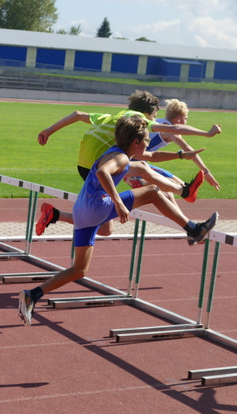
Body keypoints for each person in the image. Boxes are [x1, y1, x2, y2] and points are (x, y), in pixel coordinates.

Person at [18, 114, 218, 327]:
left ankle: (33, 295)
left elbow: (151, 158)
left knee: (79, 270)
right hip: (97, 207)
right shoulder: (121, 158)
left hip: (82, 212)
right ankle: (193, 230)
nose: (149, 143)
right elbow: (103, 172)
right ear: (136, 142)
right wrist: (118, 202)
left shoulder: (119, 155)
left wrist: (181, 155)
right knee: (152, 192)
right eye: (147, 140)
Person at [35, 90, 222, 236]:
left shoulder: (112, 117)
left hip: (85, 164)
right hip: (99, 166)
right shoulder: (137, 120)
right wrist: (207, 134)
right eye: (153, 116)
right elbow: (175, 128)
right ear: (147, 113)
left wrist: (48, 131)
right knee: (143, 170)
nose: (153, 120)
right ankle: (186, 195)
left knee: (106, 228)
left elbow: (77, 114)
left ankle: (55, 215)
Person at [124, 98, 222, 202]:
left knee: (177, 187)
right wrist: (206, 171)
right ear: (179, 118)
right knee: (169, 189)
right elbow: (187, 148)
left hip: (138, 162)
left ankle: (182, 210)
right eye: (185, 118)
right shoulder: (168, 131)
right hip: (130, 167)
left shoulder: (158, 122)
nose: (186, 122)